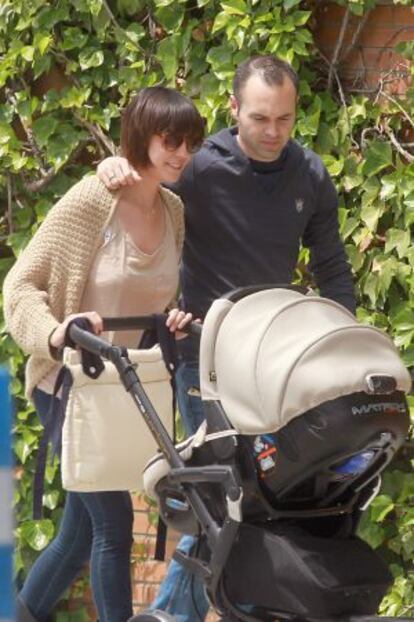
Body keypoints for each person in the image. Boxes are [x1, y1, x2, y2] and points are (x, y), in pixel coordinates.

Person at [97, 55, 356, 622]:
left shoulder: (309, 175)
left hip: (274, 367)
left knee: (266, 500)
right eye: (260, 118)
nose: (272, 133)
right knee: (222, 496)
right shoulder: (199, 168)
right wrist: (110, 169)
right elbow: (140, 191)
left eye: (285, 120)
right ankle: (173, 615)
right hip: (202, 361)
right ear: (234, 108)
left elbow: (333, 268)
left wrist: (345, 342)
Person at [3, 86, 205, 622]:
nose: (182, 153)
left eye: (190, 142)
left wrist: (175, 318)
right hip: (70, 384)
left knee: (78, 535)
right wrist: (56, 331)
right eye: (170, 140)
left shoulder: (173, 209)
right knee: (114, 523)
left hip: (125, 390)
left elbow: (155, 297)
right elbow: (20, 285)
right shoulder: (93, 201)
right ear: (142, 137)